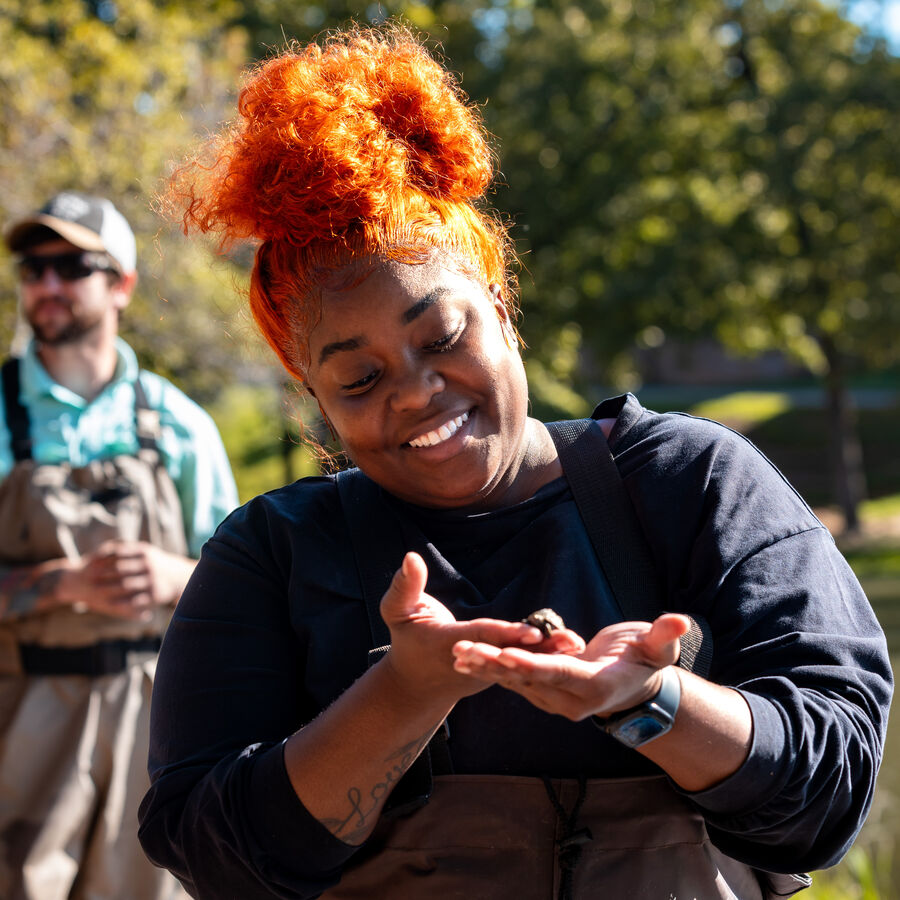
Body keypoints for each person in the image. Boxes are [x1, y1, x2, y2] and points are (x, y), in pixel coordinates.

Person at [136, 25, 892, 900]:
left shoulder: (691, 483)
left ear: (500, 303)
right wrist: (406, 692)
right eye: (360, 377)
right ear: (316, 398)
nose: (415, 392)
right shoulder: (271, 555)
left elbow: (830, 792)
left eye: (442, 336)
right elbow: (210, 853)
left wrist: (646, 702)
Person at [0, 191, 239, 900]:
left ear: (122, 285)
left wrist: (176, 576)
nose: (45, 284)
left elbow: (246, 591)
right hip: (17, 721)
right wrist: (63, 585)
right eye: (32, 266)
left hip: (157, 726)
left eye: (72, 265)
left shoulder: (181, 426)